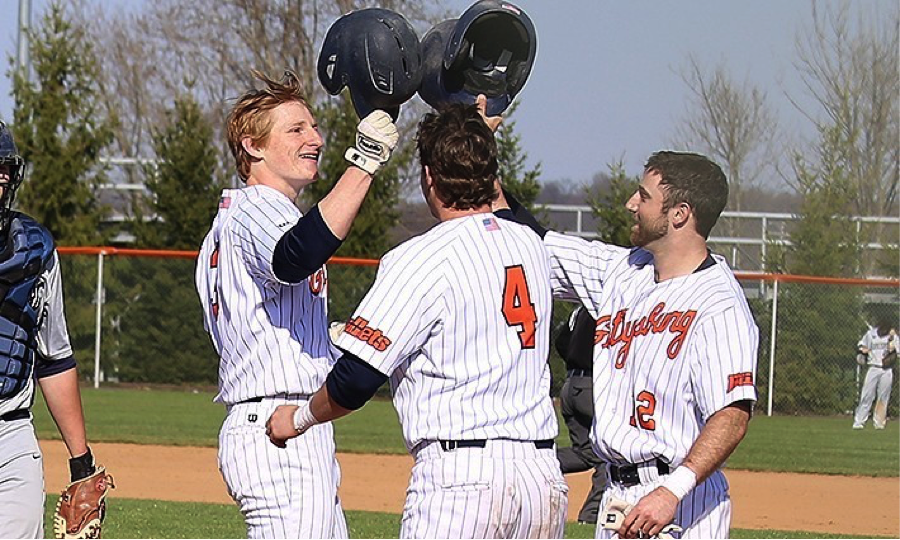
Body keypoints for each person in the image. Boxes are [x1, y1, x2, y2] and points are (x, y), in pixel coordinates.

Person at [265, 101, 568, 539]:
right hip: (542, 478)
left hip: (462, 479)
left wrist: (297, 420)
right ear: (490, 173)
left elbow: (355, 381)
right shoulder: (533, 246)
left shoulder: (420, 258)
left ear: (429, 177)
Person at [494, 151, 759, 539]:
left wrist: (672, 491)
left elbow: (732, 417)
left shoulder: (719, 304)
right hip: (617, 497)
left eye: (644, 195)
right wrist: (480, 143)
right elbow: (532, 241)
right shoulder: (625, 271)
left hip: (681, 502)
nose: (631, 204)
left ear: (679, 214)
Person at [194, 70, 398, 538]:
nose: (317, 138)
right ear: (252, 146)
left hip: (282, 424)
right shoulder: (257, 207)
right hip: (275, 427)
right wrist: (364, 162)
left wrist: (325, 340)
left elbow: (260, 324)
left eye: (313, 127)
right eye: (296, 129)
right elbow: (293, 256)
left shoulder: (238, 221)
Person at [0, 120, 102, 538]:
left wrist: (81, 462)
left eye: (5, 169)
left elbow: (54, 358)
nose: (2, 178)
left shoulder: (34, 251)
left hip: (10, 433)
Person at [556, 305, 607, 525]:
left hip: (571, 386)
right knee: (610, 457)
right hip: (593, 386)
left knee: (585, 453)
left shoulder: (580, 309)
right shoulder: (608, 301)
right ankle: (591, 516)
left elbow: (560, 341)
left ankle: (540, 463)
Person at [852, 317, 897, 430]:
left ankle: (879, 423)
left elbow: (897, 352)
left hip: (886, 369)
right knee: (866, 395)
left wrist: (892, 347)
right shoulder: (870, 334)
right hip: (873, 367)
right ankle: (859, 422)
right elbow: (861, 346)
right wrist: (863, 350)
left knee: (883, 397)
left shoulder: (892, 336)